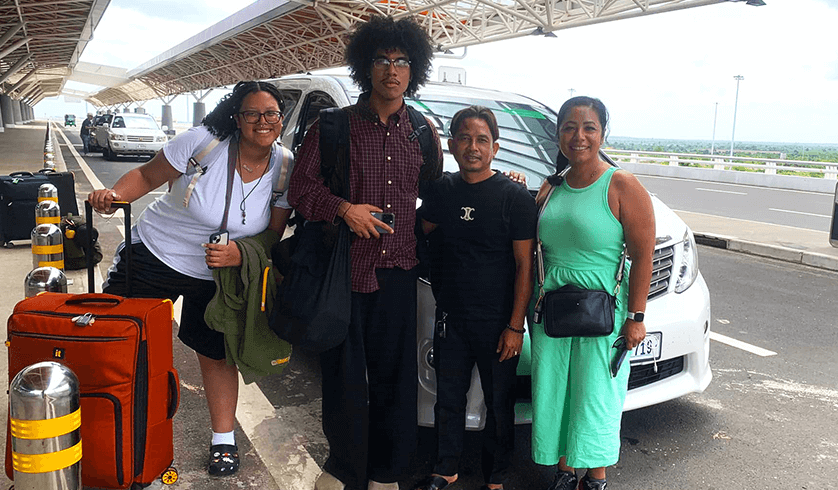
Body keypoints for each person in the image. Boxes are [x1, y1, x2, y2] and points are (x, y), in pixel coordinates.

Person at [87, 80, 292, 477]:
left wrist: (238, 254)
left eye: (271, 114)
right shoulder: (203, 143)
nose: (262, 122)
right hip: (155, 253)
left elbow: (271, 235)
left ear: (281, 120)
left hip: (216, 274)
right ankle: (100, 416)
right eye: (252, 113)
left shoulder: (285, 167)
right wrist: (114, 197)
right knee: (117, 339)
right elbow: (147, 177)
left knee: (215, 354)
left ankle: (223, 442)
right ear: (237, 117)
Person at [286, 15, 442, 490]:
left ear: (413, 70)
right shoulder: (332, 127)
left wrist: (511, 184)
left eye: (401, 61)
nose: (392, 70)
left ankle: (389, 473)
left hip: (399, 269)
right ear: (365, 67)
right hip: (344, 272)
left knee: (397, 378)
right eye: (381, 60)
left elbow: (437, 193)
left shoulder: (422, 130)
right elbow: (300, 189)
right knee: (344, 377)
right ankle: (345, 468)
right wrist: (344, 209)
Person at [528, 96, 654, 490]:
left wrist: (636, 318)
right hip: (552, 309)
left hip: (603, 309)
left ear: (602, 134)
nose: (578, 136)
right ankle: (564, 471)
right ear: (559, 133)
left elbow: (643, 256)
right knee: (554, 390)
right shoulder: (552, 189)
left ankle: (594, 477)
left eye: (589, 128)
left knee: (596, 392)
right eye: (569, 127)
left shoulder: (621, 185)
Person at [416, 106, 536, 490]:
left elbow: (524, 266)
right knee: (448, 399)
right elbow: (423, 234)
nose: (473, 146)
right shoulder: (441, 192)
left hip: (498, 322)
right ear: (452, 145)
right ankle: (445, 467)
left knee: (500, 404)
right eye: (465, 138)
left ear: (495, 148)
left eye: (482, 139)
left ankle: (497, 476)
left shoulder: (514, 197)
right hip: (451, 318)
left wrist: (515, 326)